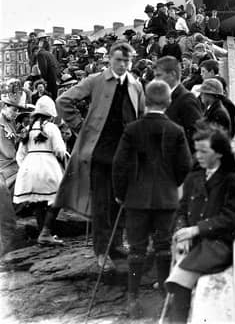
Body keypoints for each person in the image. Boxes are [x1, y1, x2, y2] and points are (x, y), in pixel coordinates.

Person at [55, 42, 145, 270]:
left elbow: (141, 116)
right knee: (102, 203)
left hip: (125, 154)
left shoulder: (136, 85)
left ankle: (116, 244)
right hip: (100, 153)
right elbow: (63, 100)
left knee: (121, 199)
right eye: (118, 60)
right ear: (110, 61)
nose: (123, 65)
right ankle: (102, 251)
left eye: (127, 61)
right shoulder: (96, 80)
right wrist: (80, 126)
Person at [112, 80, 192, 318]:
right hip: (166, 200)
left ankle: (133, 299)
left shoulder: (132, 130)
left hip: (136, 199)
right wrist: (172, 185)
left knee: (136, 250)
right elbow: (185, 165)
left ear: (145, 101)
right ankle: (164, 299)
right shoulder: (176, 131)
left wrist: (120, 192)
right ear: (168, 102)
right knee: (164, 247)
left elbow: (120, 165)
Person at [165, 124, 235, 323]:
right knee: (177, 281)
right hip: (195, 242)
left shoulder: (231, 181)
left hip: (217, 244)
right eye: (196, 150)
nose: (198, 155)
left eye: (203, 151)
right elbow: (182, 210)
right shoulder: (194, 178)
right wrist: (182, 233)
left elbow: (230, 218)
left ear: (218, 153)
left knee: (179, 281)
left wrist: (196, 230)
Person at [13, 96, 66, 246]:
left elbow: (20, 155)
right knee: (57, 198)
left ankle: (43, 234)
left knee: (38, 200)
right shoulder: (51, 128)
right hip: (47, 167)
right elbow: (60, 150)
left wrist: (27, 167)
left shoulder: (28, 129)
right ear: (50, 113)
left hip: (29, 167)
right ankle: (46, 232)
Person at [154, 56, 203, 151]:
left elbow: (196, 136)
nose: (155, 80)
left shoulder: (187, 100)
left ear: (172, 74)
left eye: (158, 75)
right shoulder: (165, 97)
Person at [0, 94, 27, 256]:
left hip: (11, 166)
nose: (15, 113)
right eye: (13, 109)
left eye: (17, 110)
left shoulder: (10, 122)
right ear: (4, 105)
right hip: (4, 168)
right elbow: (9, 153)